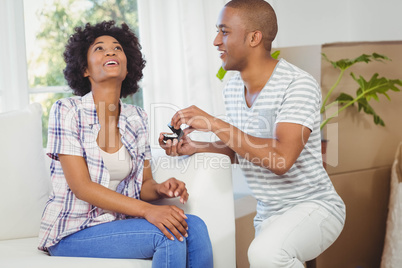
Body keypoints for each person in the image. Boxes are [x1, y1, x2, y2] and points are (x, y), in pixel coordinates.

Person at [159, 0, 345, 267]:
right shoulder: (232, 86)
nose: (215, 41)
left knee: (264, 254)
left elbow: (280, 159)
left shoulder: (298, 85)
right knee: (265, 256)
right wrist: (197, 146)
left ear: (254, 37)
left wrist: (213, 123)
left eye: (224, 32)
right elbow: (244, 150)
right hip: (269, 213)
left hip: (315, 207)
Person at [38, 20, 213, 268]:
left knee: (194, 225)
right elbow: (82, 187)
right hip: (72, 231)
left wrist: (161, 188)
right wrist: (147, 210)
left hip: (114, 225)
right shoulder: (67, 110)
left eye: (117, 48)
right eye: (99, 48)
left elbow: (144, 185)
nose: (110, 51)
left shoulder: (138, 118)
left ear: (128, 67)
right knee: (167, 234)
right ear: (84, 69)